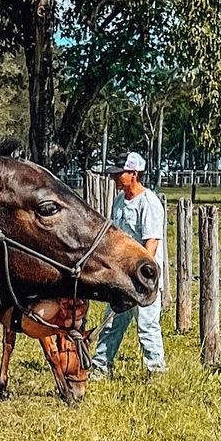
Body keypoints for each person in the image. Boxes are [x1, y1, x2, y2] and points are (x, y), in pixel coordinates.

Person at [90, 151, 166, 376]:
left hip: (143, 278)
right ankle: (101, 366)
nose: (115, 178)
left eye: (119, 174)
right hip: (122, 276)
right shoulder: (119, 202)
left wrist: (141, 276)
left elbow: (151, 243)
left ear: (134, 174)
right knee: (112, 321)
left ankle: (156, 370)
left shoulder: (148, 202)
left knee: (147, 325)